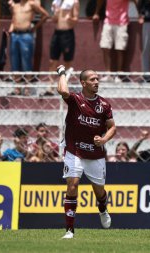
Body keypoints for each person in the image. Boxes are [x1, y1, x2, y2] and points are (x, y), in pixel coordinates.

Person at [56, 64, 116, 239]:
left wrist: (104, 139)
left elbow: (112, 127)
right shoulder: (75, 99)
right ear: (83, 83)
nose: (97, 82)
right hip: (74, 150)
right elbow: (62, 90)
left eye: (97, 79)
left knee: (99, 192)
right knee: (72, 185)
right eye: (92, 79)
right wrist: (62, 73)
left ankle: (103, 209)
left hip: (95, 154)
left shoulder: (104, 105)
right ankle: (69, 230)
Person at [8, 0, 49, 95]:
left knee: (26, 61)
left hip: (26, 35)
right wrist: (10, 29)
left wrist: (35, 27)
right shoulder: (16, 5)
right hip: (15, 35)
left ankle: (27, 87)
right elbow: (14, 19)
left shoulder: (31, 4)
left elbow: (45, 15)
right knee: (15, 61)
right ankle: (17, 88)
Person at [93, 0, 138, 83]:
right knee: (105, 47)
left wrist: (140, 14)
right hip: (108, 21)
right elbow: (100, 1)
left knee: (120, 49)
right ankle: (108, 74)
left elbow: (136, 1)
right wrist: (96, 13)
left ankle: (118, 75)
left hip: (122, 22)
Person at [44, 0, 80, 96]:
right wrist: (56, 13)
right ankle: (50, 87)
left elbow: (76, 19)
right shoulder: (56, 2)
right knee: (52, 61)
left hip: (67, 34)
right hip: (57, 33)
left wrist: (70, 18)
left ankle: (64, 86)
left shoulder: (74, 2)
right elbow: (54, 20)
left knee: (67, 61)